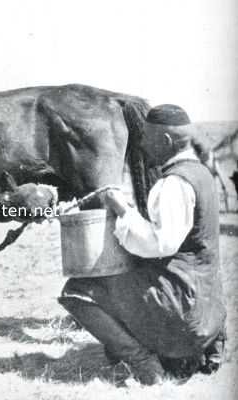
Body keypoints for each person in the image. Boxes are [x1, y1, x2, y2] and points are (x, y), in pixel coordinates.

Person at [58, 104, 226, 385]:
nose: (142, 146)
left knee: (78, 290)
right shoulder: (201, 174)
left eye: (146, 138)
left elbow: (160, 244)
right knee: (122, 287)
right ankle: (203, 349)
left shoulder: (174, 183)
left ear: (165, 142)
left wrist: (122, 210)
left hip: (185, 312)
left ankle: (144, 363)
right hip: (208, 312)